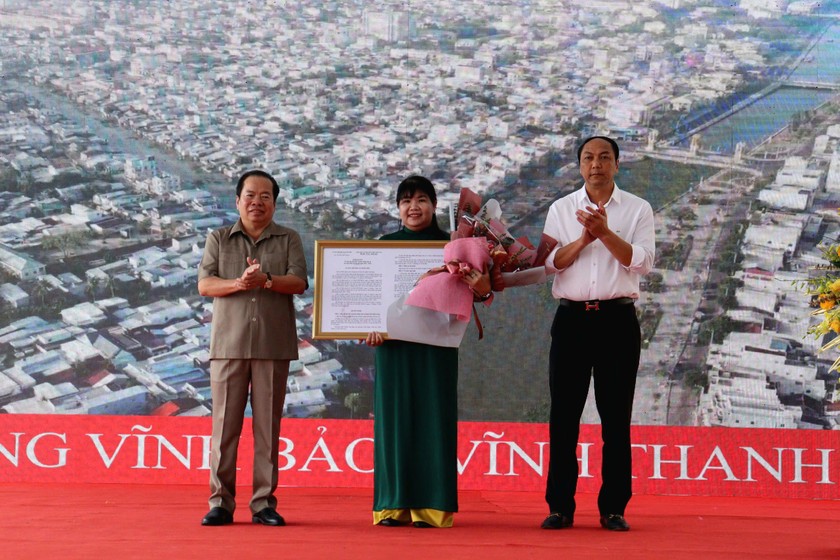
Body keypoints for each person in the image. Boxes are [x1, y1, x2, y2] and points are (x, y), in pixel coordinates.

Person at [539, 136, 655, 532]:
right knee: (563, 418)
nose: (596, 165)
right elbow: (551, 263)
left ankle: (613, 508)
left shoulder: (638, 209)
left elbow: (641, 262)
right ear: (580, 165)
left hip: (617, 322)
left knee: (616, 419)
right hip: (571, 321)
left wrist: (605, 233)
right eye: (588, 158)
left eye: (605, 157)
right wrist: (585, 239)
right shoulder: (560, 208)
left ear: (617, 165)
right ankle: (560, 507)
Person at [365, 175, 491, 529]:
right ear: (397, 208)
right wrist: (369, 325)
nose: (413, 207)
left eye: (421, 199)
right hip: (393, 347)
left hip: (436, 344)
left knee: (433, 419)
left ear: (435, 205)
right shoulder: (384, 246)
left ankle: (432, 507)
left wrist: (481, 286)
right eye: (405, 201)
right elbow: (372, 301)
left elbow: (479, 293)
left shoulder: (452, 245)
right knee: (394, 422)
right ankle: (392, 505)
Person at [197, 169, 308, 527]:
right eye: (250, 195)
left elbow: (299, 282)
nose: (257, 202)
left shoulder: (289, 238)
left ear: (274, 202)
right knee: (224, 427)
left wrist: (268, 281)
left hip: (273, 346)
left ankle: (263, 504)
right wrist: (240, 283)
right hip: (228, 345)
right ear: (237, 201)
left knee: (267, 430)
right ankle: (220, 502)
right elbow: (205, 285)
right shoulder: (218, 238)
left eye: (265, 196)